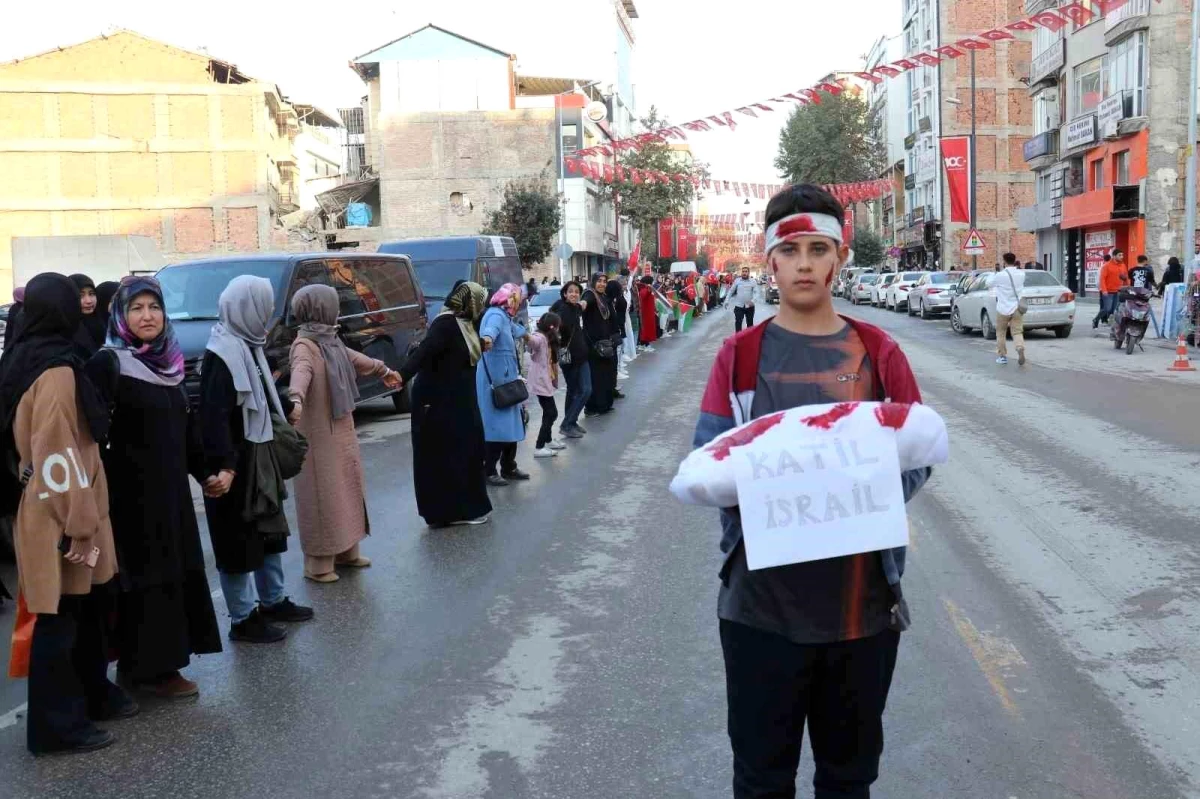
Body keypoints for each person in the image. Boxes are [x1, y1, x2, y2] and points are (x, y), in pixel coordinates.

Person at [691, 184, 929, 799]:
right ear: (768, 260)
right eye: (789, 249)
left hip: (862, 613)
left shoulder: (879, 353)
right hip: (758, 613)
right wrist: (785, 483)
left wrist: (853, 492)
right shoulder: (739, 358)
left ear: (839, 258)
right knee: (762, 780)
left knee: (848, 781)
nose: (803, 263)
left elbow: (919, 455)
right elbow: (711, 464)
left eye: (818, 248)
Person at [0, 272, 133, 756]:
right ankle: (58, 728)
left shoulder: (23, 357)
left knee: (78, 614)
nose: (83, 307)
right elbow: (57, 456)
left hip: (47, 504)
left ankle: (85, 703)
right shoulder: (55, 371)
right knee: (58, 622)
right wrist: (79, 528)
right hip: (61, 512)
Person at [86, 276, 222, 699]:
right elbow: (90, 432)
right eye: (137, 309)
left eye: (154, 307)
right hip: (129, 499)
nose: (147, 317)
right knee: (144, 580)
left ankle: (161, 665)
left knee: (176, 574)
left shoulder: (170, 363)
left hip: (172, 496)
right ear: (121, 316)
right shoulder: (108, 364)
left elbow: (184, 427)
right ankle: (146, 670)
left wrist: (206, 471)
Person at [200, 275, 313, 645]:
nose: (266, 317)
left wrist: (284, 403)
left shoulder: (249, 346)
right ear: (244, 309)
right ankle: (242, 617)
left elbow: (261, 394)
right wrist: (226, 467)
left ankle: (272, 600)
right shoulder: (222, 356)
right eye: (261, 309)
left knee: (268, 531)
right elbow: (216, 419)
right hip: (235, 465)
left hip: (257, 456)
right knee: (238, 540)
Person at [286, 285, 401, 582]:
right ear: (319, 309)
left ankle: (347, 550)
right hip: (318, 434)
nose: (337, 310)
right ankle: (318, 564)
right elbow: (301, 372)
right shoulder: (306, 345)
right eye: (332, 305)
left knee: (347, 487)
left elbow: (354, 359)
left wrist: (383, 371)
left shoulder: (329, 339)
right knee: (323, 495)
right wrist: (296, 398)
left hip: (340, 427)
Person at [399, 281, 492, 527]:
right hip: (439, 403)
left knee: (469, 449)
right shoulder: (446, 323)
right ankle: (451, 513)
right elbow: (424, 353)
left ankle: (466, 508)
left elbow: (456, 353)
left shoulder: (465, 323)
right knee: (449, 455)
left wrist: (481, 345)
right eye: (479, 301)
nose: (482, 306)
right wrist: (400, 377)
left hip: (459, 400)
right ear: (468, 301)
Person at [478, 283, 530, 486]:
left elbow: (515, 329)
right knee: (497, 429)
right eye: (516, 298)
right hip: (497, 382)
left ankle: (509, 467)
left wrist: (528, 335)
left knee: (513, 425)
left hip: (507, 380)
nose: (518, 303)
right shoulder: (495, 315)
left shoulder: (504, 316)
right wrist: (487, 338)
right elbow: (491, 331)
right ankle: (489, 470)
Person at [550, 281, 591, 439]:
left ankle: (571, 422)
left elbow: (580, 306)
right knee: (581, 390)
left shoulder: (574, 308)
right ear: (565, 294)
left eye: (576, 291)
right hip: (570, 358)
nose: (574, 294)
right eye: (571, 291)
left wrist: (582, 303)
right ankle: (567, 424)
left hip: (581, 356)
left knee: (578, 391)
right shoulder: (562, 310)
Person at [528, 312, 566, 458]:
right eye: (557, 326)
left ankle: (548, 440)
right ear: (553, 326)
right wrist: (525, 336)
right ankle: (539, 446)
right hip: (540, 381)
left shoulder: (549, 339)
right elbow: (533, 342)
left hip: (545, 380)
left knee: (548, 412)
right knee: (552, 413)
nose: (558, 329)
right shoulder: (540, 338)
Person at [582, 273, 617, 417]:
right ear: (593, 282)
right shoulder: (590, 294)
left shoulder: (603, 297)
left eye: (604, 281)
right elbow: (585, 302)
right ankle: (592, 407)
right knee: (596, 377)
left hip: (605, 344)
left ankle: (604, 405)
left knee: (607, 376)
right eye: (599, 281)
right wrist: (580, 304)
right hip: (593, 345)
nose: (602, 284)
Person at [994, 252, 1027, 366]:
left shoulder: (1000, 275)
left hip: (1002, 308)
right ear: (1014, 261)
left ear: (1004, 262)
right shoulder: (1021, 274)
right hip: (1017, 308)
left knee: (1001, 333)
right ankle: (1019, 347)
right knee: (1017, 331)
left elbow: (989, 283)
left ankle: (1002, 356)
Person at [69, 274, 106, 355]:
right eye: (81, 295)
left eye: (91, 294)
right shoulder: (66, 330)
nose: (88, 301)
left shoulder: (102, 323)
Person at [1094, 249, 1129, 328]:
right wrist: (1104, 290)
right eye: (1119, 255)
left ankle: (1112, 324)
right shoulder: (1106, 266)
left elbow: (1126, 277)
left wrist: (1128, 287)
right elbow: (1102, 279)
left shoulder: (1123, 265)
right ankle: (1096, 319)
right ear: (1114, 256)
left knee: (1113, 310)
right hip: (1108, 291)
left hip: (1118, 291)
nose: (1121, 257)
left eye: (1122, 255)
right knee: (1107, 308)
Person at [606, 278, 630, 392]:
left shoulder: (611, 301)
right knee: (614, 359)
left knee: (616, 357)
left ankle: (613, 386)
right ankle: (612, 386)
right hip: (613, 334)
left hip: (618, 328)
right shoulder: (608, 301)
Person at [727, 266, 759, 332]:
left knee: (750, 324)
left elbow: (757, 293)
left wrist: (753, 301)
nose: (744, 273)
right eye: (743, 271)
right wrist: (726, 300)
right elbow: (731, 291)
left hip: (749, 306)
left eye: (746, 271)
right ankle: (738, 340)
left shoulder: (753, 281)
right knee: (738, 323)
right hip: (739, 306)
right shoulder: (737, 281)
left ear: (748, 273)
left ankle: (749, 340)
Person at [636, 276, 658, 351]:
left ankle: (643, 344)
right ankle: (646, 345)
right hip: (645, 312)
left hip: (649, 311)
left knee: (647, 328)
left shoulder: (646, 289)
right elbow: (644, 296)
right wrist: (649, 290)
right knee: (646, 328)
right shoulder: (644, 290)